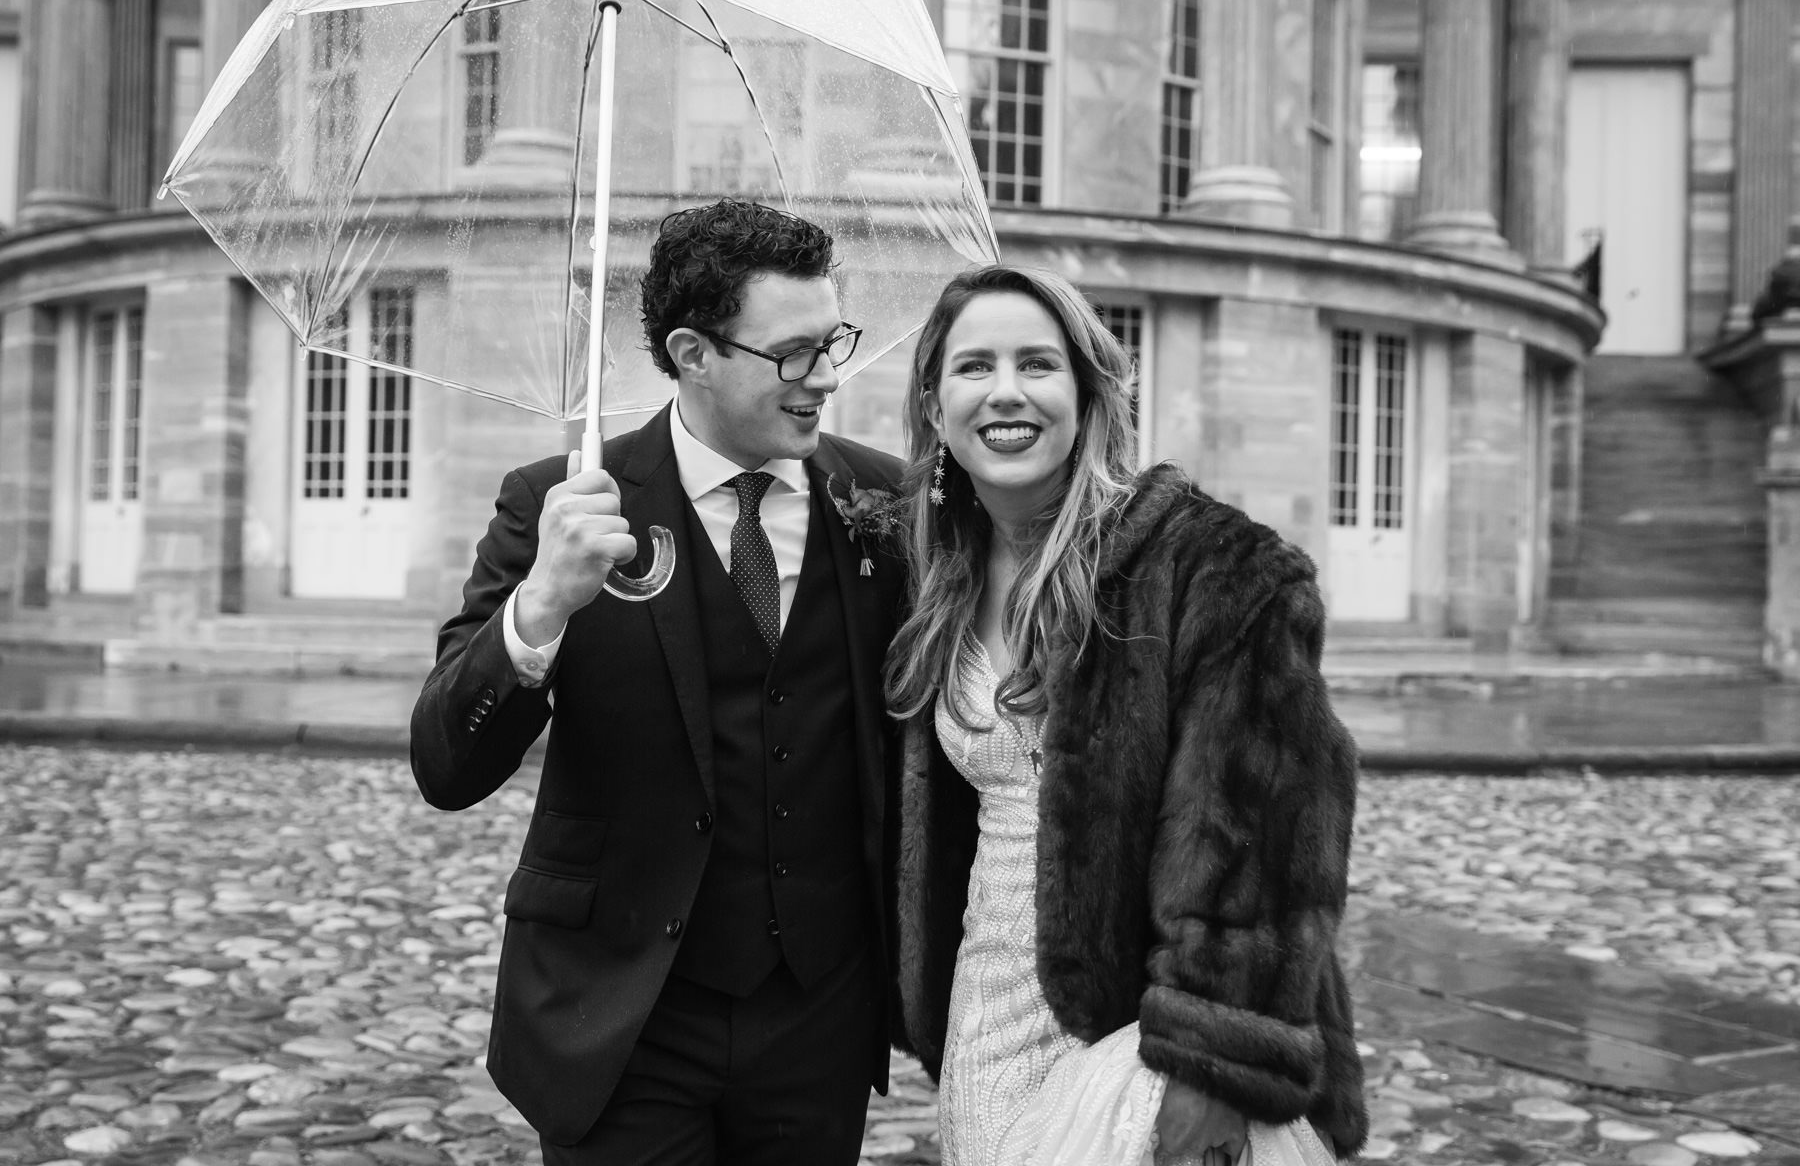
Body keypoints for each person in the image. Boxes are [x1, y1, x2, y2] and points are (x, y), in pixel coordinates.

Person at [410, 199, 908, 1165]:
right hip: (622, 1014)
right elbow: (444, 764)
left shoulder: (885, 500)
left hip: (817, 1019)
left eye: (833, 342)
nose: (829, 378)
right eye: (794, 353)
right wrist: (542, 605)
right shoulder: (556, 501)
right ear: (692, 352)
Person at [886, 265, 1369, 1165]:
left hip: (1139, 1032)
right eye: (973, 367)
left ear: (1089, 390)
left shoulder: (1214, 571)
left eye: (1038, 363)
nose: (1005, 392)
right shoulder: (934, 579)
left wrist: (1209, 1068)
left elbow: (1267, 842)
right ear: (933, 402)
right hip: (985, 1016)